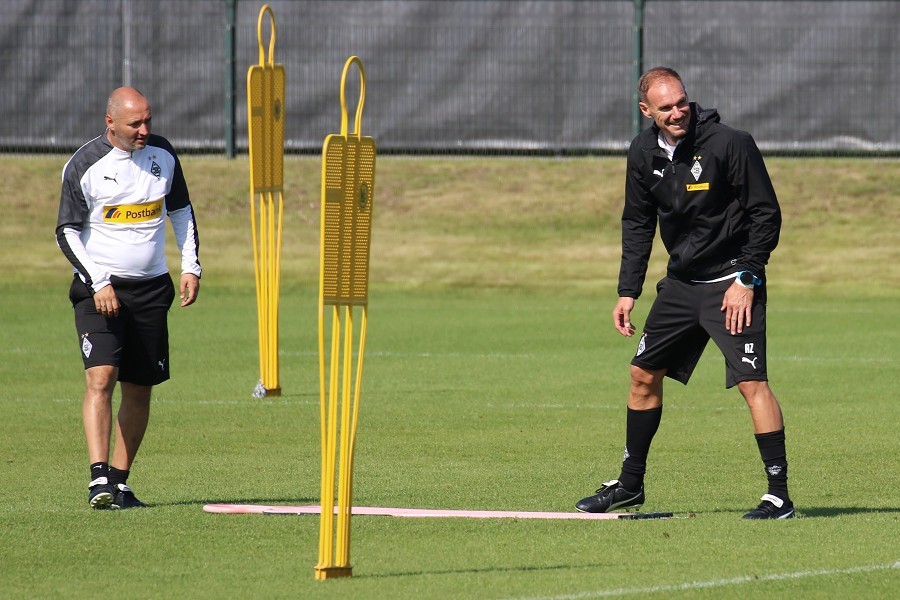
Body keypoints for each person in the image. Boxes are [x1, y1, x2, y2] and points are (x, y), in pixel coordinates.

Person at [576, 67, 793, 519]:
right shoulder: (641, 152)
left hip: (733, 282)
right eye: (666, 107)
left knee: (752, 384)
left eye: (682, 102)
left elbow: (765, 215)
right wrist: (626, 291)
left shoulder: (730, 143)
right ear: (646, 111)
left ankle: (778, 495)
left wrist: (747, 278)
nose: (677, 113)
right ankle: (630, 485)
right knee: (641, 375)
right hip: (680, 286)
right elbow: (637, 223)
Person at [56, 87, 201, 509]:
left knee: (139, 387)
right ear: (111, 123)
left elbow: (181, 210)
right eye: (135, 123)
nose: (144, 130)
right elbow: (66, 231)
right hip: (98, 289)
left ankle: (120, 483)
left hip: (153, 288)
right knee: (101, 376)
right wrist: (99, 282)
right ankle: (97, 478)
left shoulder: (163, 154)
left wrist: (190, 265)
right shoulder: (84, 164)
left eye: (148, 121)